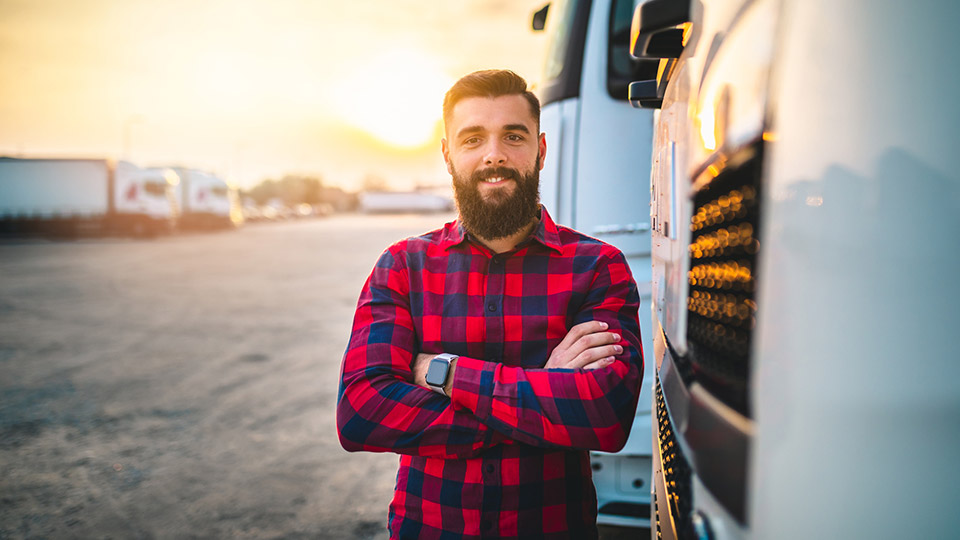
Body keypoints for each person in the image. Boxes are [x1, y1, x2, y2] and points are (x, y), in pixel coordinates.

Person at [336, 69, 643, 540]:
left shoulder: (598, 268)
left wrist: (445, 373)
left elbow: (605, 416)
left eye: (513, 136)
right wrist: (544, 397)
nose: (494, 154)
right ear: (448, 154)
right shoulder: (402, 266)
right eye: (473, 138)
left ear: (540, 150)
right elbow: (361, 413)